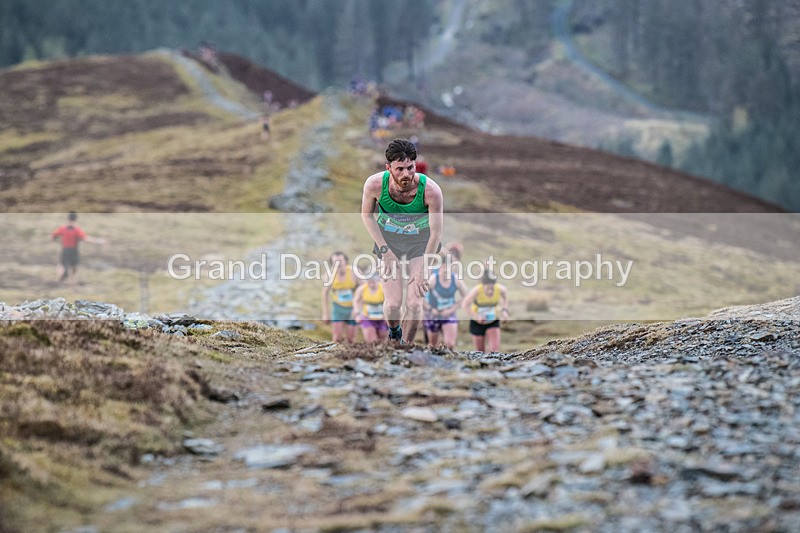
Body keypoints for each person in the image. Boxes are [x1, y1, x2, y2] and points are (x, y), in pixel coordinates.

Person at [361, 138, 444, 343]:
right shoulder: (374, 185)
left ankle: (405, 349)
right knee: (393, 305)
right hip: (389, 242)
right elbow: (366, 216)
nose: (406, 174)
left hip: (420, 245)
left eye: (410, 167)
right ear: (388, 167)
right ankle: (394, 331)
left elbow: (436, 232)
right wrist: (385, 251)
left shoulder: (431, 191)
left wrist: (426, 266)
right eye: (399, 169)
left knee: (415, 304)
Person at [423, 252, 468, 348]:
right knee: (432, 346)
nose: (445, 270)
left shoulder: (456, 280)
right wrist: (430, 309)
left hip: (448, 313)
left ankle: (448, 360)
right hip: (433, 314)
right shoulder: (433, 279)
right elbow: (420, 294)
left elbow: (466, 296)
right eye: (443, 268)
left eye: (448, 268)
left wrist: (452, 309)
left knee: (450, 344)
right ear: (439, 268)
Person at [51, 212, 106, 284]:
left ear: (68, 219)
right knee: (74, 267)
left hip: (65, 250)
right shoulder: (77, 230)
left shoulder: (63, 228)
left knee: (61, 264)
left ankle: (62, 275)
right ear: (75, 219)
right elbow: (85, 239)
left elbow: (53, 236)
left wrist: (56, 239)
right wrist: (99, 241)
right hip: (74, 251)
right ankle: (72, 282)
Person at [462, 270, 510, 353]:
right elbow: (465, 304)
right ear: (483, 285)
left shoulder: (500, 289)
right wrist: (476, 316)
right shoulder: (476, 290)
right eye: (488, 288)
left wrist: (504, 310)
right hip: (477, 323)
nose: (490, 291)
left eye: (492, 288)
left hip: (492, 321)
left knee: (494, 351)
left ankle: (494, 365)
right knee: (480, 352)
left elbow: (505, 297)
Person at [321, 251, 360, 343]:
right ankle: (337, 356)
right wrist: (325, 313)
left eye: (340, 261)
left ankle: (351, 356)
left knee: (351, 339)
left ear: (345, 261)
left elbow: (364, 289)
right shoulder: (329, 274)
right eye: (335, 262)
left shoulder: (354, 271)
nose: (338, 264)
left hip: (352, 308)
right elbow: (325, 293)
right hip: (338, 307)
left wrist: (359, 309)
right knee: (337, 338)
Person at [352, 274, 389, 342]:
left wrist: (388, 317)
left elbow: (389, 303)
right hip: (367, 318)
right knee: (372, 341)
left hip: (381, 318)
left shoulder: (384, 289)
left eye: (373, 282)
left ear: (378, 281)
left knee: (383, 340)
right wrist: (357, 314)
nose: (371, 284)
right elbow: (356, 301)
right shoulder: (362, 289)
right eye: (369, 282)